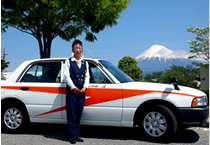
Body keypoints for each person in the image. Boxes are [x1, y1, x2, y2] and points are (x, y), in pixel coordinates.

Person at [64, 39, 90, 144]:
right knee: (71, 114)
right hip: (72, 92)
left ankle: (77, 135)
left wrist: (85, 87)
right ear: (73, 49)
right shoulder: (68, 61)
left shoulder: (85, 62)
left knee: (79, 114)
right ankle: (72, 137)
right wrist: (73, 87)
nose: (78, 50)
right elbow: (66, 76)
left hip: (82, 92)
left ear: (82, 49)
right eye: (76, 48)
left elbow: (87, 76)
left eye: (79, 47)